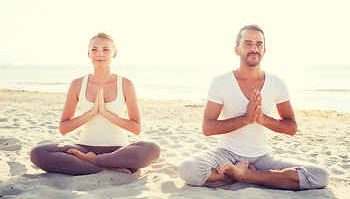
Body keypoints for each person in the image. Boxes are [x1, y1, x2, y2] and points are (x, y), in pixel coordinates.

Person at [178, 25, 329, 190]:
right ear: (237, 49)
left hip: (261, 159)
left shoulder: (277, 83)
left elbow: (291, 128)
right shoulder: (220, 82)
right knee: (188, 169)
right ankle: (240, 175)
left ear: (264, 50)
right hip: (225, 154)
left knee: (320, 175)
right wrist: (245, 119)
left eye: (259, 44)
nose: (254, 48)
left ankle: (245, 176)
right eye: (248, 43)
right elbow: (207, 128)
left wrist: (262, 119)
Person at [30, 33, 161, 175]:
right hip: (84, 148)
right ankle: (103, 166)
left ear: (114, 54)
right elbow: (64, 128)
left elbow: (136, 128)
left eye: (106, 50)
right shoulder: (77, 84)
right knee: (38, 153)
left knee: (152, 149)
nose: (100, 54)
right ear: (88, 53)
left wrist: (106, 113)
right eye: (94, 49)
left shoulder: (125, 84)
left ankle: (94, 162)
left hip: (118, 152)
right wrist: (91, 113)